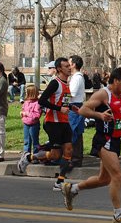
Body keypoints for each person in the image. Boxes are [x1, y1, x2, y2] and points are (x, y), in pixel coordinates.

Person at [61, 67, 121, 223]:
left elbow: (119, 114)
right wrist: (100, 116)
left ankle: (72, 188)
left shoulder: (120, 95)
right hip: (104, 139)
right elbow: (83, 109)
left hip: (115, 141)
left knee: (104, 180)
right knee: (118, 176)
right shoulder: (104, 94)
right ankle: (118, 216)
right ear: (115, 81)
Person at [17, 57, 73, 191]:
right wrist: (60, 109)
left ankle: (59, 182)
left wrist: (70, 107)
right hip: (53, 122)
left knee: (69, 150)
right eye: (66, 66)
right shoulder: (55, 83)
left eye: (69, 66)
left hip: (64, 122)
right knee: (54, 155)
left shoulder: (67, 83)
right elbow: (41, 101)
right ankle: (29, 157)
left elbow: (62, 102)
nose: (69, 68)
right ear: (59, 69)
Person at [68, 55, 92, 170]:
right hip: (74, 106)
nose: (68, 66)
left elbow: (71, 93)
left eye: (69, 63)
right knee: (75, 133)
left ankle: (75, 158)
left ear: (74, 64)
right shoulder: (76, 77)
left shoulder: (77, 78)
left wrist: (62, 95)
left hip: (75, 106)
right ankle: (75, 158)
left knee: (74, 133)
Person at [20, 84, 42, 155]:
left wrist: (26, 113)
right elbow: (24, 110)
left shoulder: (37, 104)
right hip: (26, 123)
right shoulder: (26, 103)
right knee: (26, 141)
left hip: (34, 124)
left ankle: (36, 155)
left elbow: (37, 115)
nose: (25, 93)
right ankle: (26, 155)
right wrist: (23, 114)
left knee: (35, 140)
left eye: (26, 92)